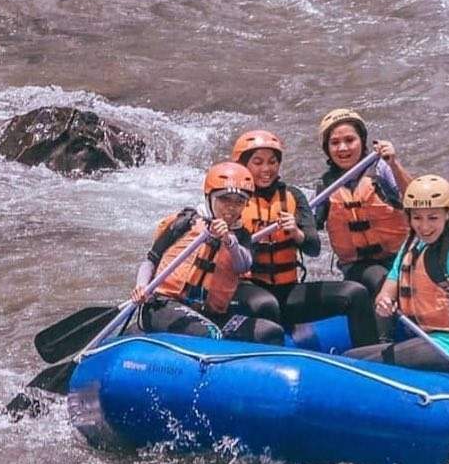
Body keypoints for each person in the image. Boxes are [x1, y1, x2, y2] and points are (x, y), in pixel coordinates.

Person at [229, 129, 378, 347]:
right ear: (243, 165)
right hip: (246, 290)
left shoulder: (293, 196)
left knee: (355, 293)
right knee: (266, 305)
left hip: (287, 291)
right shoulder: (232, 200)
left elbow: (313, 248)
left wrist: (296, 233)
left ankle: (370, 358)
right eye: (258, 162)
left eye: (272, 162)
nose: (266, 169)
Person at [345, 175, 449, 384]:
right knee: (350, 358)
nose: (424, 227)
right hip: (422, 338)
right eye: (417, 218)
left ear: (447, 214)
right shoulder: (411, 246)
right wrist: (384, 303)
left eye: (432, 218)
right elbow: (386, 291)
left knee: (362, 367)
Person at [131, 162, 281, 343]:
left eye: (239, 202)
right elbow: (151, 259)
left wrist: (228, 240)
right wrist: (141, 286)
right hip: (164, 305)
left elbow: (243, 265)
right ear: (209, 197)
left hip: (208, 312)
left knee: (270, 333)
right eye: (225, 199)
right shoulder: (185, 223)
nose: (231, 208)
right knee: (210, 335)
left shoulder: (241, 236)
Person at [313, 108, 412, 303]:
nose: (343, 148)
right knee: (379, 279)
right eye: (334, 143)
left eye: (350, 140)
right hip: (357, 267)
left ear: (362, 141)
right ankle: (383, 333)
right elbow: (310, 237)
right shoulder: (326, 186)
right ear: (327, 148)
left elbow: (416, 200)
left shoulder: (382, 168)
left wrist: (394, 164)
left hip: (399, 258)